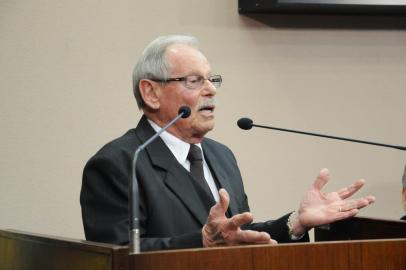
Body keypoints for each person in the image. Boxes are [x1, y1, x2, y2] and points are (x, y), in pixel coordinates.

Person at [80, 35, 375, 251]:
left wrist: (296, 222)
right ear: (151, 93)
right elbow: (117, 256)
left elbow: (237, 236)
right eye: (194, 81)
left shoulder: (220, 155)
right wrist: (203, 241)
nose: (211, 90)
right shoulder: (119, 163)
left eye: (211, 79)